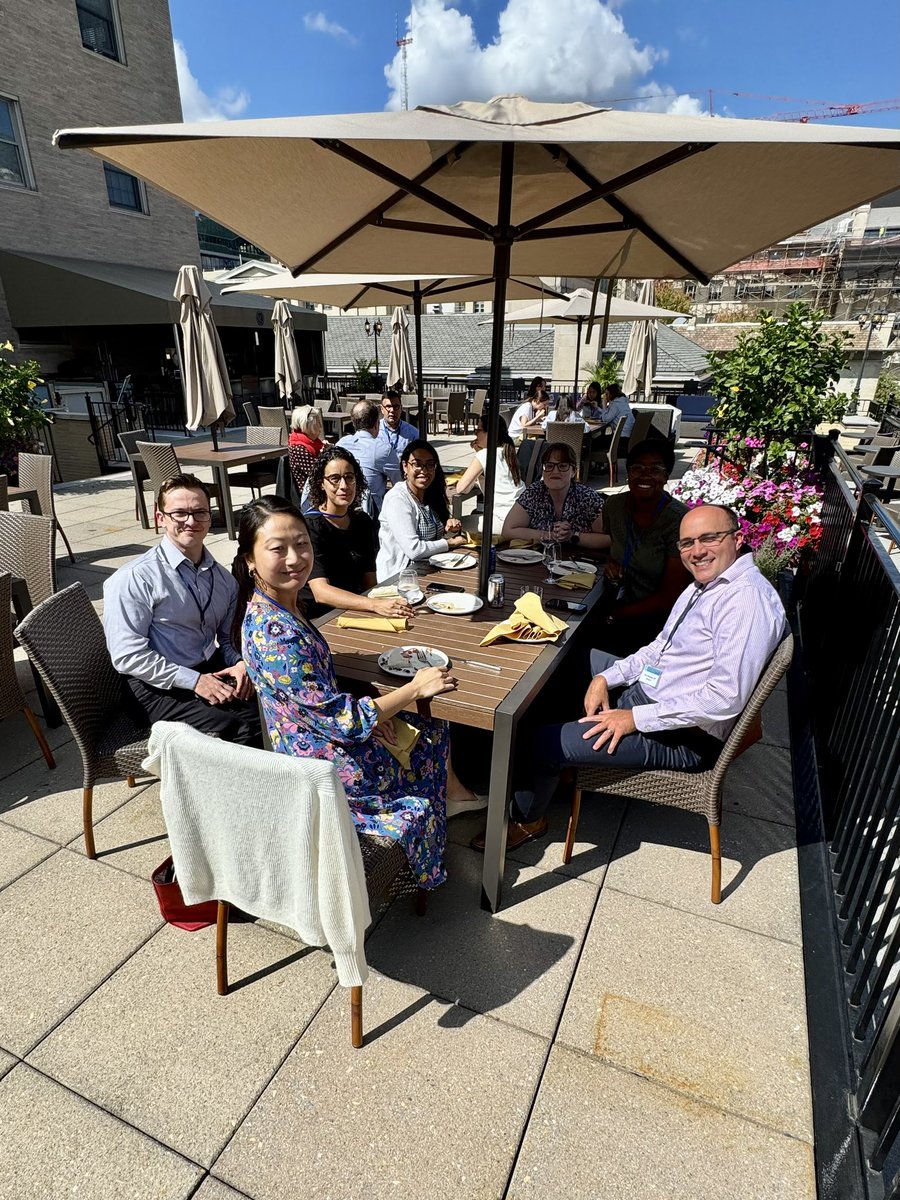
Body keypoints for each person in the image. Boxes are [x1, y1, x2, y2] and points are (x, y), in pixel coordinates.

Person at [474, 504, 787, 850]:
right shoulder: (709, 584)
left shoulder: (745, 601)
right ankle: (545, 759)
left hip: (683, 733)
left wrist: (634, 718)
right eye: (687, 543)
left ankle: (529, 817)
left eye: (709, 538)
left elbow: (723, 700)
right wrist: (605, 679)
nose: (697, 551)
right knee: (571, 663)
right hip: (655, 689)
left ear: (737, 538)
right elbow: (658, 650)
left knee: (544, 743)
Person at [234, 496, 485, 888]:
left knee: (427, 728)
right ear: (250, 559)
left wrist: (378, 717)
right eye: (277, 549)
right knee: (426, 728)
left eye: (301, 544)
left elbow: (322, 702)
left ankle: (449, 801)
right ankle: (420, 835)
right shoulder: (275, 634)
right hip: (321, 765)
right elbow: (342, 720)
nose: (295, 558)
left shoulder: (282, 603)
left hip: (318, 731)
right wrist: (413, 689)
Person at [103, 473, 262, 746]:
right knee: (240, 725)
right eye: (179, 513)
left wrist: (238, 662)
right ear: (160, 518)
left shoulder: (223, 580)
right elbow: (127, 656)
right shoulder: (134, 579)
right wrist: (195, 681)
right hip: (154, 687)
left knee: (269, 701)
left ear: (210, 517)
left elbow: (226, 638)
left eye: (200, 512)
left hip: (207, 668)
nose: (190, 521)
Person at [599, 439, 690, 654]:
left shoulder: (679, 521)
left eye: (655, 469)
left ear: (667, 476)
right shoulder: (614, 507)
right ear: (628, 473)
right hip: (614, 601)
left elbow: (670, 597)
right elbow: (608, 548)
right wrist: (610, 563)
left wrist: (614, 616)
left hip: (657, 623)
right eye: (637, 468)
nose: (645, 475)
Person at [302, 447, 413, 621]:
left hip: (355, 609)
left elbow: (369, 580)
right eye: (334, 479)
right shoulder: (311, 527)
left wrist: (382, 605)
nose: (344, 486)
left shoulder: (362, 522)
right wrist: (374, 605)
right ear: (321, 484)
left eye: (349, 477)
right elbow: (321, 592)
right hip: (320, 617)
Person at [376, 439, 467, 580]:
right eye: (417, 464)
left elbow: (433, 540)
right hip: (399, 579)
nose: (424, 471)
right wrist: (449, 543)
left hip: (429, 570)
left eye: (430, 465)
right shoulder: (397, 499)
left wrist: (450, 530)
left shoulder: (430, 494)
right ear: (405, 467)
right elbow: (414, 550)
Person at [501, 442, 609, 554]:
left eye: (562, 466)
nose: (555, 471)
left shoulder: (587, 497)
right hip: (537, 562)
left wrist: (572, 536)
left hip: (580, 564)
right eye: (549, 466)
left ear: (574, 471)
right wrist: (550, 535)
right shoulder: (534, 492)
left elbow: (610, 538)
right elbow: (508, 531)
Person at [453, 413, 525, 536]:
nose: (475, 434)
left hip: (503, 520)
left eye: (478, 430)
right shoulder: (508, 452)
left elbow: (461, 488)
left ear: (489, 434)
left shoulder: (485, 454)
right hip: (522, 516)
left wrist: (479, 455)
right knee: (474, 514)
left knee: (456, 524)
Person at [337, 400, 394, 514]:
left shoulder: (340, 444)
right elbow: (400, 483)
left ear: (353, 424)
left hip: (341, 510)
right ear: (377, 423)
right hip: (372, 516)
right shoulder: (382, 449)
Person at [376, 389, 419, 480]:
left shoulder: (412, 433)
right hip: (381, 478)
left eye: (396, 407)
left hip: (404, 478)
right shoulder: (375, 432)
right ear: (382, 409)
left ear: (401, 408)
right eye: (388, 406)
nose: (392, 410)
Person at [288, 404, 326, 497]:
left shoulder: (314, 442)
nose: (321, 427)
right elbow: (317, 473)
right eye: (318, 423)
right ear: (308, 426)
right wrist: (325, 454)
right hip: (310, 494)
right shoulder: (299, 448)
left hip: (320, 488)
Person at [597, 383, 635, 447]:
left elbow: (605, 419)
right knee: (599, 440)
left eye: (607, 394)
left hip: (621, 439)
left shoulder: (615, 404)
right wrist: (598, 408)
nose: (605, 396)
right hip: (628, 436)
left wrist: (604, 404)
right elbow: (609, 415)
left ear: (612, 394)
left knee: (595, 442)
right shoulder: (622, 402)